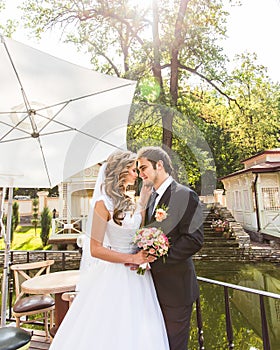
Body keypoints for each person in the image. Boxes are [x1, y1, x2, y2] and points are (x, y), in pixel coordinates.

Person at [49, 150, 169, 350]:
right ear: (120, 171)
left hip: (138, 277)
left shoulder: (127, 200)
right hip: (115, 275)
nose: (136, 174)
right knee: (111, 328)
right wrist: (134, 258)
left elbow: (133, 223)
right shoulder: (102, 204)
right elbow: (95, 249)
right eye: (133, 170)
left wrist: (145, 200)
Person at [137, 146, 204, 350]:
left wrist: (156, 261)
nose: (140, 174)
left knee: (175, 345)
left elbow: (194, 239)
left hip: (176, 290)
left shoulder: (185, 195)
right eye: (139, 170)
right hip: (153, 289)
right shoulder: (150, 201)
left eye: (143, 168)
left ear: (159, 165)